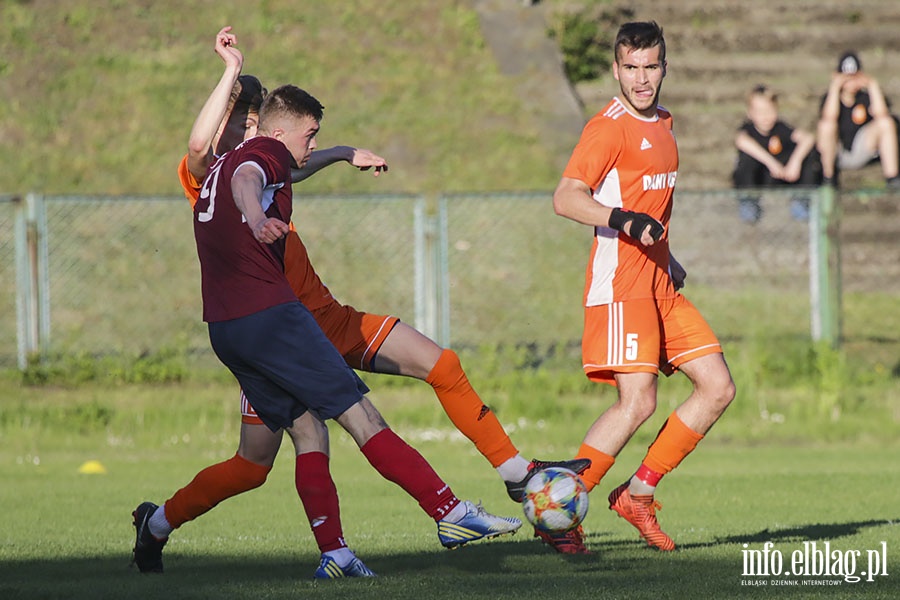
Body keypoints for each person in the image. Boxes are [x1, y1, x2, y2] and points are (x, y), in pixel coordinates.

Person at [159, 27, 589, 572]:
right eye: (238, 118)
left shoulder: (267, 164)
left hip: (321, 320)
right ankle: (163, 522)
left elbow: (283, 166)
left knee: (440, 365)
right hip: (277, 332)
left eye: (251, 118)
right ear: (232, 122)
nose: (248, 128)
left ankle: (513, 475)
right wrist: (229, 76)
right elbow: (212, 155)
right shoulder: (208, 176)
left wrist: (340, 153)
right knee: (264, 460)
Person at [548, 21, 736, 555]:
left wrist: (668, 257)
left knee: (717, 387)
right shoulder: (607, 128)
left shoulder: (665, 124)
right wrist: (624, 220)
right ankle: (560, 510)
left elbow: (650, 204)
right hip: (621, 282)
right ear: (616, 69)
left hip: (659, 285)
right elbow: (566, 197)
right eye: (630, 67)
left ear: (664, 67)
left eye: (650, 66)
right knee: (638, 401)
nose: (641, 78)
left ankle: (638, 493)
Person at [732, 84, 823, 223]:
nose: (765, 116)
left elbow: (808, 138)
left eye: (769, 111)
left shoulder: (781, 128)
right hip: (761, 178)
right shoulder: (748, 130)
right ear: (750, 113)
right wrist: (771, 163)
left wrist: (795, 162)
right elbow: (741, 141)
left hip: (784, 176)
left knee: (810, 154)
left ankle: (801, 203)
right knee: (746, 159)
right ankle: (749, 205)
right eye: (760, 111)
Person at [816, 51, 900, 190]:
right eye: (846, 78)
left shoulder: (867, 98)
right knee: (826, 126)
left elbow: (883, 115)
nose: (851, 82)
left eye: (854, 77)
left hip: (863, 149)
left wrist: (873, 85)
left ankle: (892, 178)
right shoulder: (829, 98)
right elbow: (828, 117)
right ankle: (828, 179)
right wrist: (835, 87)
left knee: (885, 123)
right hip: (837, 151)